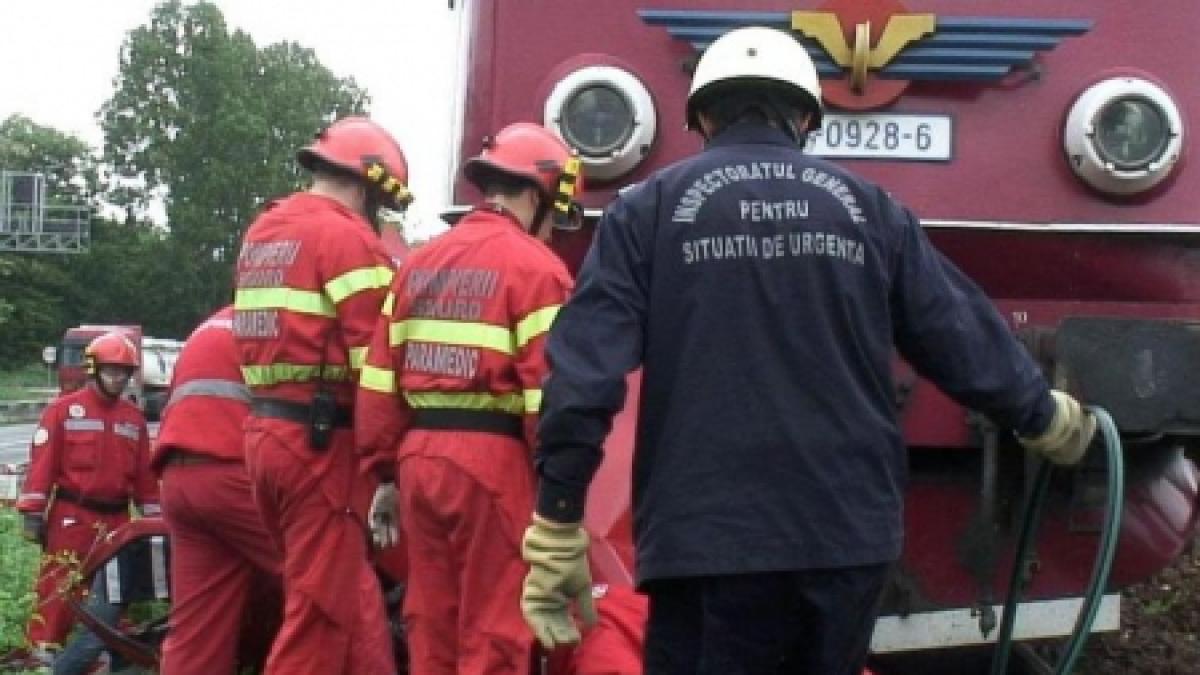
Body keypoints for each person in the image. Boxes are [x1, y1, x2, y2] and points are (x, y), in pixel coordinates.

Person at [520, 26, 1097, 675]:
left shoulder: (645, 211)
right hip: (846, 538)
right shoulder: (870, 210)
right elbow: (955, 332)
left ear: (704, 115)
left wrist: (560, 517)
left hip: (706, 541)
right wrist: (1041, 415)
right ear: (803, 117)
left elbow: (585, 374)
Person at [356, 121, 580, 674]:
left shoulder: (418, 265)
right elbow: (549, 397)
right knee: (496, 630)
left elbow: (380, 379)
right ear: (536, 194)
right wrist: (559, 489)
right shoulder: (538, 270)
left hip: (418, 462)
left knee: (432, 621)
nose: (552, 230)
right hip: (492, 465)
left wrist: (385, 474)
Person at [233, 116, 410, 675]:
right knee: (318, 613)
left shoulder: (264, 232)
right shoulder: (348, 239)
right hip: (320, 447)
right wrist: (390, 467)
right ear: (366, 186)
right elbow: (377, 363)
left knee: (348, 601)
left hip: (267, 435)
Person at [152, 305, 282, 674]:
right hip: (234, 476)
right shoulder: (279, 324)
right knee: (328, 586)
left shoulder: (208, 327)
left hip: (180, 482)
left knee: (198, 631)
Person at [15, 331, 160, 662]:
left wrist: (156, 520)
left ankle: (106, 651)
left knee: (113, 587)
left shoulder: (133, 418)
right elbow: (43, 464)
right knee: (59, 581)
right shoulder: (63, 411)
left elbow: (145, 478)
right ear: (94, 370)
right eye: (111, 371)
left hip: (118, 518)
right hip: (72, 514)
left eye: (124, 372)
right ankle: (44, 650)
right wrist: (32, 512)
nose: (118, 378)